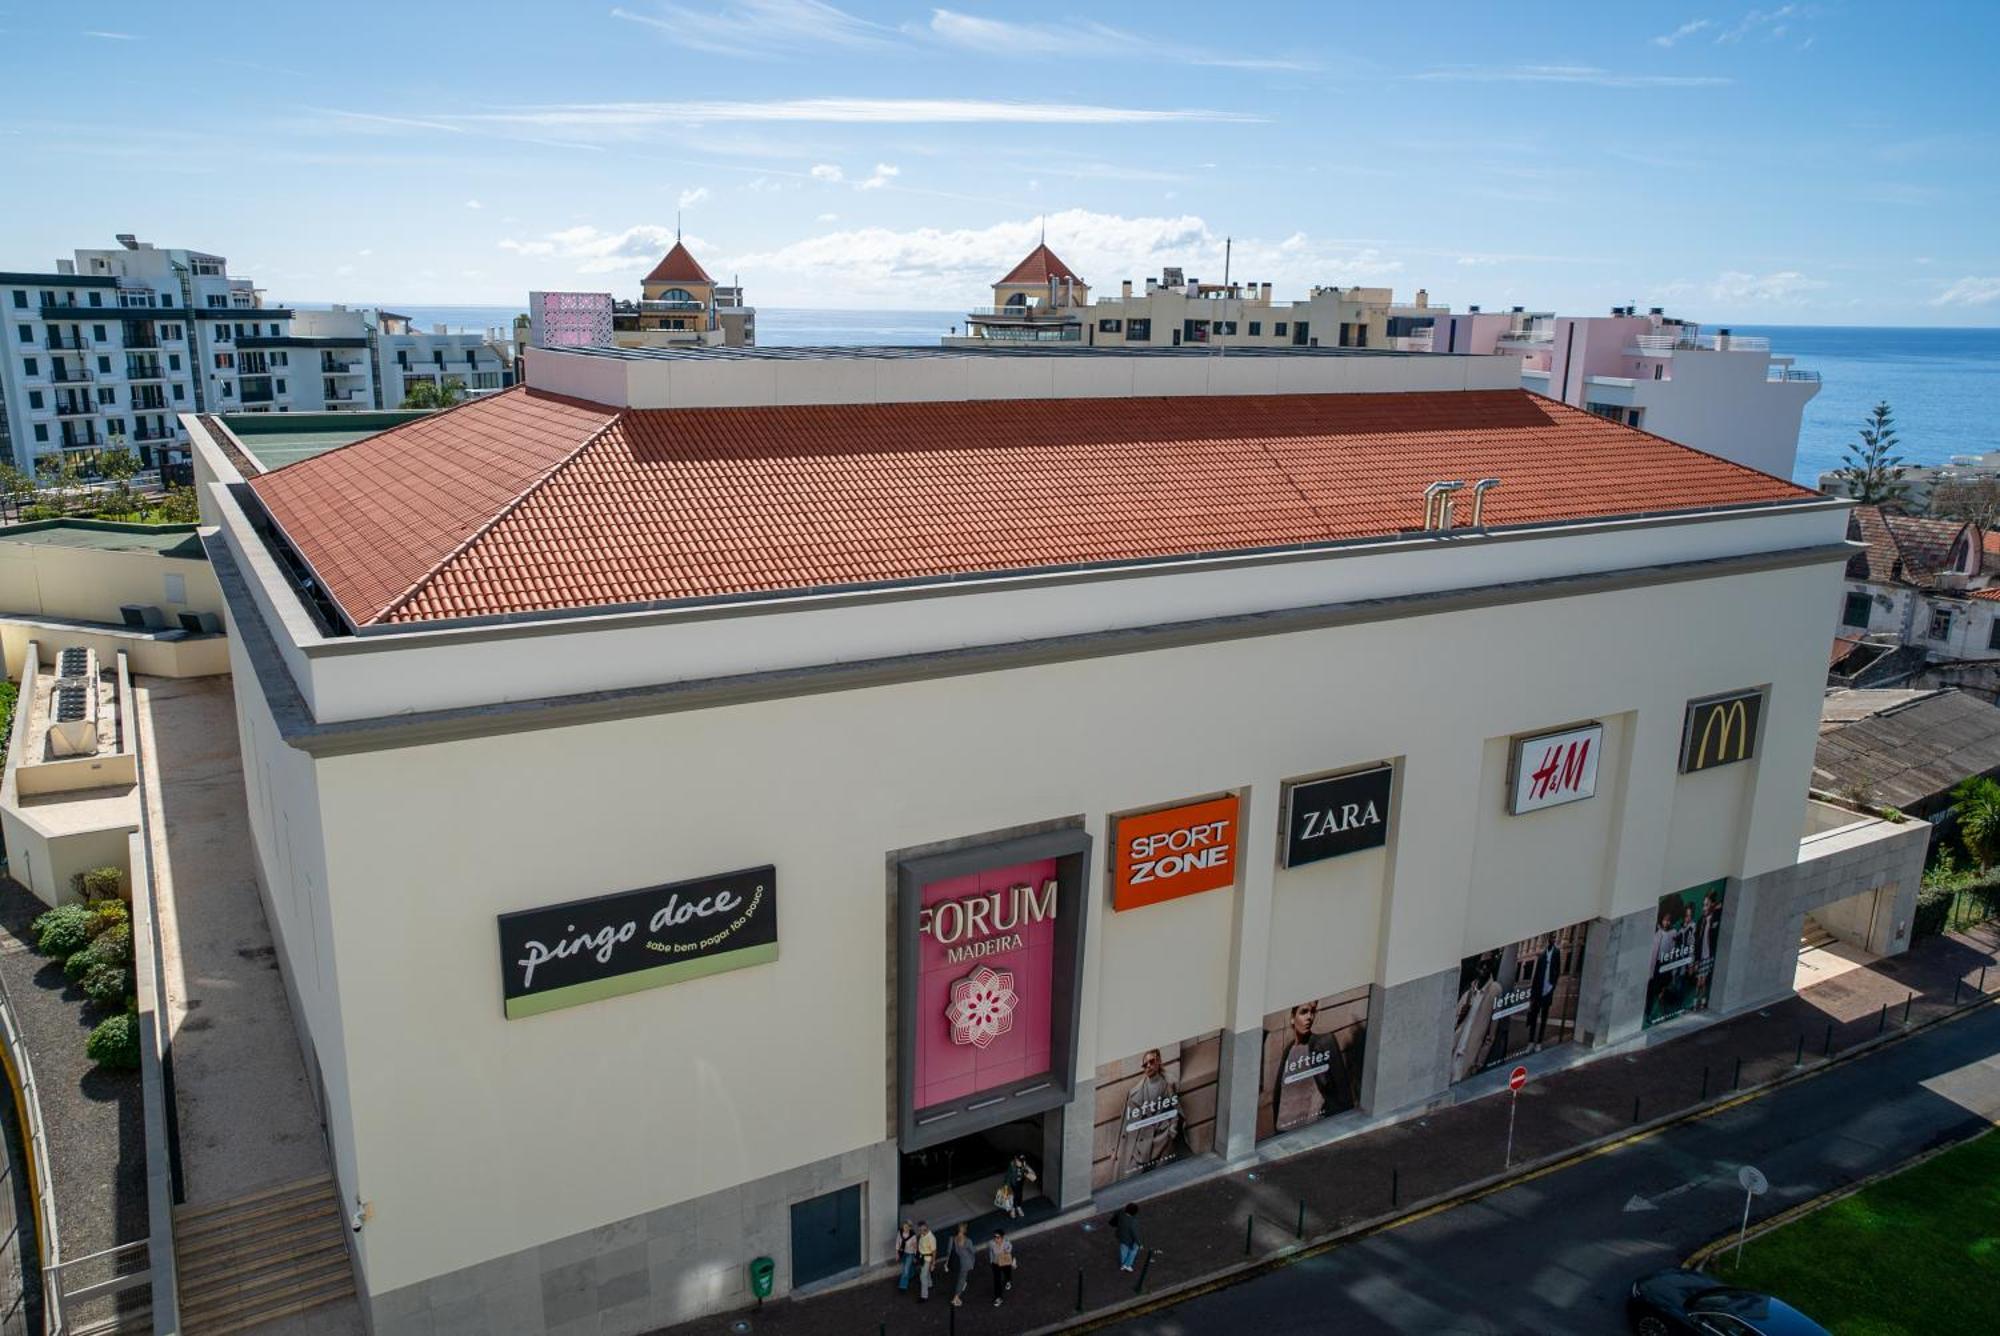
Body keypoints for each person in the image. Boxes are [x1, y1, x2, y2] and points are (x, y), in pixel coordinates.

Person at [1113, 1052, 1182, 1179]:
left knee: (1162, 1178)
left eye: (1151, 1062)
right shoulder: (1134, 1093)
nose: (1148, 1066)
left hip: (1162, 1139)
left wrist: (1172, 1129)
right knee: (1132, 1178)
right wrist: (1117, 1151)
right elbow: (1125, 1124)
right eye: (1145, 1065)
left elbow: (1175, 1109)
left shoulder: (1167, 1084)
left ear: (1159, 1061)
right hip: (1140, 1144)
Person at [1526, 938, 1563, 1050]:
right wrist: (1532, 994)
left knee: (1544, 1018)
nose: (1552, 939)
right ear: (1548, 940)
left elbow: (1558, 970)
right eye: (1550, 937)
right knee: (1533, 1017)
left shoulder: (1557, 953)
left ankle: (1539, 1043)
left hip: (1548, 990)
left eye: (1554, 938)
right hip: (1538, 990)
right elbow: (1536, 974)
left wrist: (1553, 985)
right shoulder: (1542, 955)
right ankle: (1531, 1042)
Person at [949, 1224, 976, 1308]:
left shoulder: (952, 1239)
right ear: (965, 1230)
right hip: (965, 1262)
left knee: (960, 1276)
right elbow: (972, 1251)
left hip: (956, 1261)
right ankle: (956, 1298)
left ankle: (961, 1286)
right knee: (962, 1279)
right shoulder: (968, 1241)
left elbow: (949, 1251)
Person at [1114, 1202, 1143, 1272]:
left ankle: (1123, 1265)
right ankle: (1128, 1265)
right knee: (1133, 1251)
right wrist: (1140, 1244)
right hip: (1131, 1240)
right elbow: (1135, 1234)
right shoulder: (1133, 1222)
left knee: (1123, 1251)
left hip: (1122, 1238)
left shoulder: (1120, 1215)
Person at [989, 1230, 1015, 1305]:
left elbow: (1010, 1247)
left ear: (1002, 1237)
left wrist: (1007, 1251)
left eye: (997, 1237)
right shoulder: (991, 1243)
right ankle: (998, 1297)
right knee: (997, 1280)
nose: (995, 1239)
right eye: (994, 1237)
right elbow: (990, 1252)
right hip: (996, 1264)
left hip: (1004, 1262)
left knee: (1007, 1272)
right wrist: (991, 1261)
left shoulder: (1006, 1242)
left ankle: (1008, 1281)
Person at [915, 1221, 937, 1301]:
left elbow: (934, 1251)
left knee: (922, 1276)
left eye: (921, 1230)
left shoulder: (931, 1238)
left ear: (926, 1228)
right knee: (926, 1272)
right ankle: (930, 1284)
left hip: (927, 1259)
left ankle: (924, 1296)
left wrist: (933, 1264)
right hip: (921, 1257)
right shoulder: (922, 1234)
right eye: (919, 1230)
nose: (920, 1231)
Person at [895, 1220, 918, 1292]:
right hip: (902, 1252)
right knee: (908, 1266)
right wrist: (897, 1253)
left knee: (905, 1269)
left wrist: (915, 1256)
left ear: (910, 1228)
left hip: (909, 1253)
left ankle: (903, 1286)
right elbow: (897, 1243)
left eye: (907, 1227)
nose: (905, 1228)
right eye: (904, 1226)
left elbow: (915, 1247)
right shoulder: (900, 1232)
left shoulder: (913, 1236)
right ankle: (912, 1274)